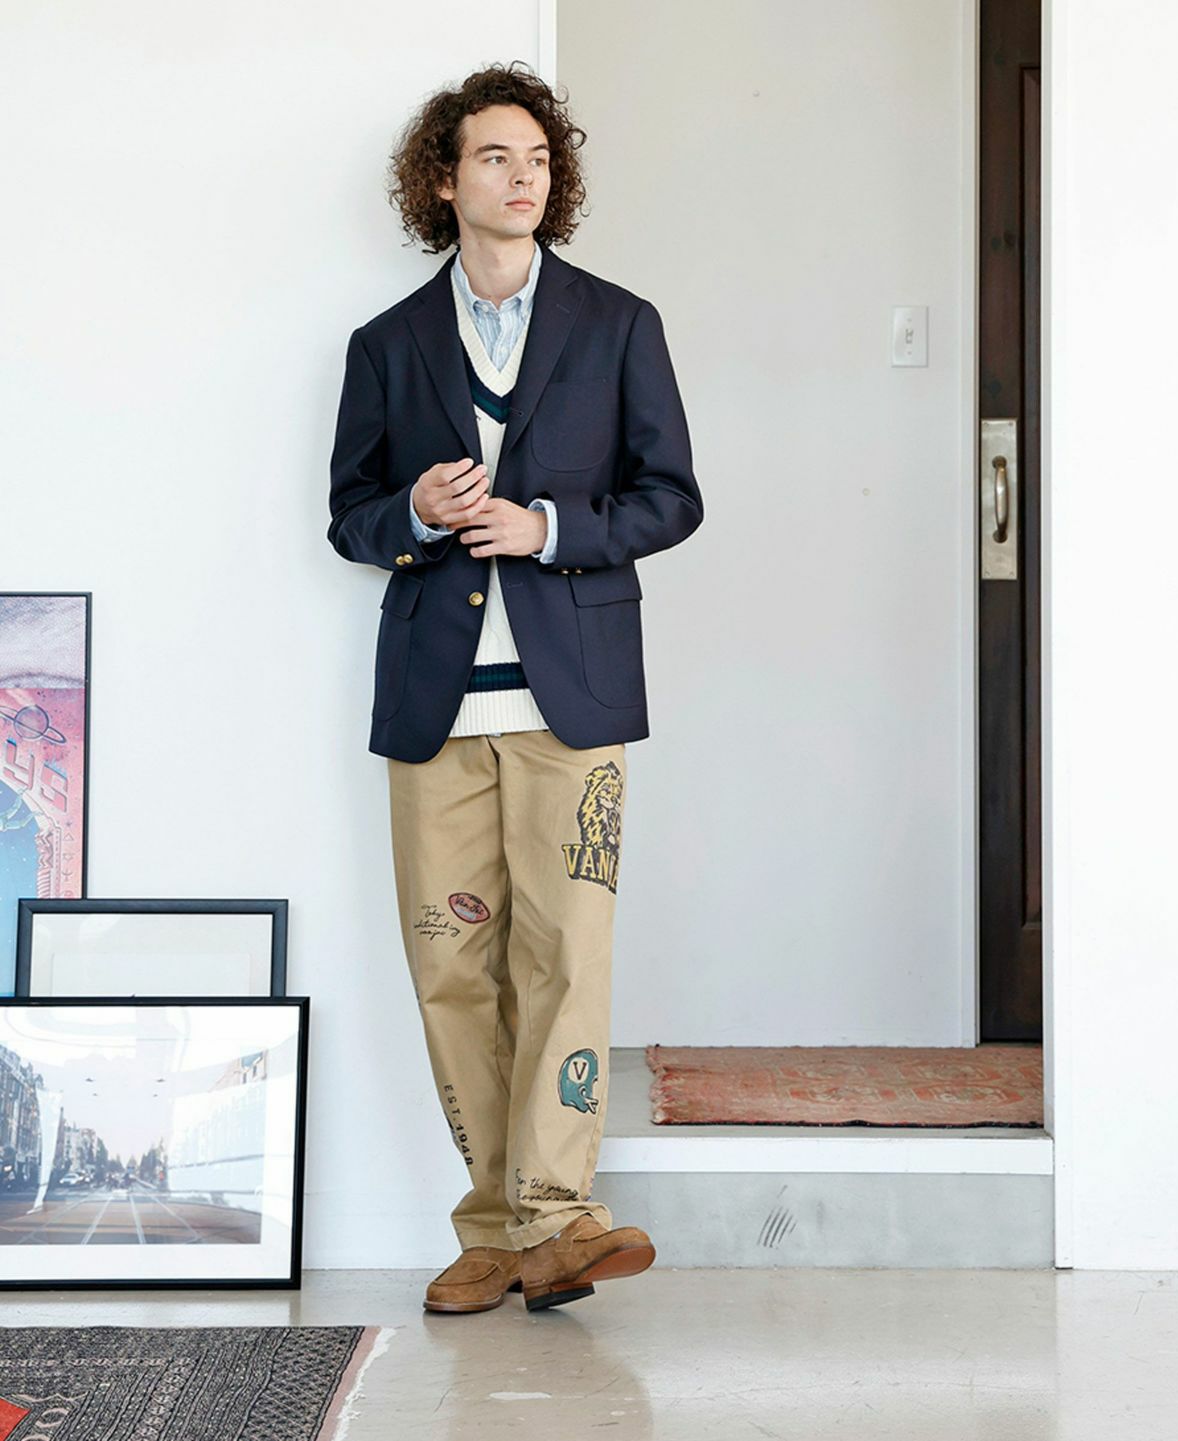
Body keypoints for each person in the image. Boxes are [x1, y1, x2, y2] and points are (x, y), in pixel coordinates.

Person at [327, 61, 703, 1313]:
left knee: (566, 958)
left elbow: (672, 497)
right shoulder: (386, 345)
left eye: (538, 159)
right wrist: (413, 512)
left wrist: (549, 529)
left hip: (570, 703)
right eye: (495, 156)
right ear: (444, 180)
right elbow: (348, 515)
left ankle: (558, 1215)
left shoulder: (618, 323)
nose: (522, 176)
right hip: (433, 707)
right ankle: (492, 1227)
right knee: (453, 968)